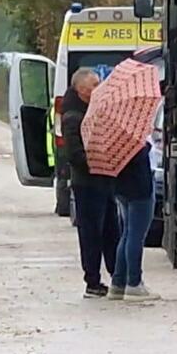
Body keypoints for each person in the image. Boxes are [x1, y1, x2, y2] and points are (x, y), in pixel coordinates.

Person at [61, 69, 118, 298]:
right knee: (91, 234)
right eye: (94, 85)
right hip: (87, 184)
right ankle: (93, 282)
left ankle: (117, 276)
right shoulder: (73, 116)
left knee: (112, 231)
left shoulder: (94, 111)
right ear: (81, 89)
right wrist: (98, 161)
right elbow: (75, 155)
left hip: (104, 181)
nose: (98, 88)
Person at [109, 140, 160, 302]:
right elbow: (138, 157)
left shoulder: (112, 138)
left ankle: (118, 283)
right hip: (139, 189)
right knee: (136, 236)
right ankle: (134, 283)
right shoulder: (133, 140)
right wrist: (147, 146)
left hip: (122, 188)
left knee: (127, 234)